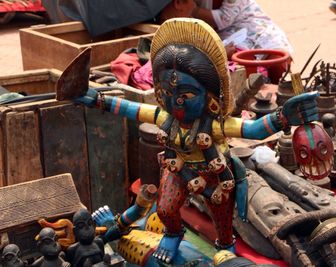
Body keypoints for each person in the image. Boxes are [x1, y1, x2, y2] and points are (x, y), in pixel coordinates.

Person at [76, 18, 319, 263]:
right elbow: (130, 108)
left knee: (223, 222)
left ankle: (225, 245)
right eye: (167, 93)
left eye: (186, 95)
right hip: (179, 171)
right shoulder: (164, 117)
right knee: (166, 209)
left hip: (216, 176)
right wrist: (95, 98)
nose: (176, 103)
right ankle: (172, 234)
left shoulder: (214, 124)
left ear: (210, 97)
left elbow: (254, 129)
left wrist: (284, 117)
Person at [191, 0, 294, 55]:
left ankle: (297, 89)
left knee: (280, 54)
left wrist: (193, 10)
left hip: (254, 26)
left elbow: (226, 18)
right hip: (224, 40)